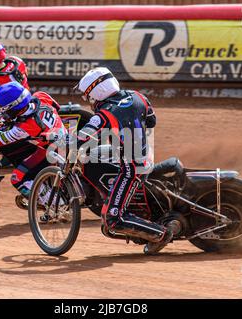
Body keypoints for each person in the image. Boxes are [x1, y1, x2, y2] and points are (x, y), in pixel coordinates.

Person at [74, 67, 181, 255]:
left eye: (88, 96)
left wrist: (61, 141)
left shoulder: (105, 114)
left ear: (97, 91)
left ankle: (161, 235)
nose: (89, 101)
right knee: (98, 155)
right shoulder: (138, 96)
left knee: (113, 219)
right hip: (143, 156)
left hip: (131, 169)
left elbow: (82, 137)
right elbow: (151, 121)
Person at [0, 82, 66, 201]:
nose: (2, 112)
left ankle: (56, 203)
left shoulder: (25, 126)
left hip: (53, 152)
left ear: (14, 107)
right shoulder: (40, 96)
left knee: (17, 178)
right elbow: (57, 107)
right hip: (64, 139)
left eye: (4, 109)